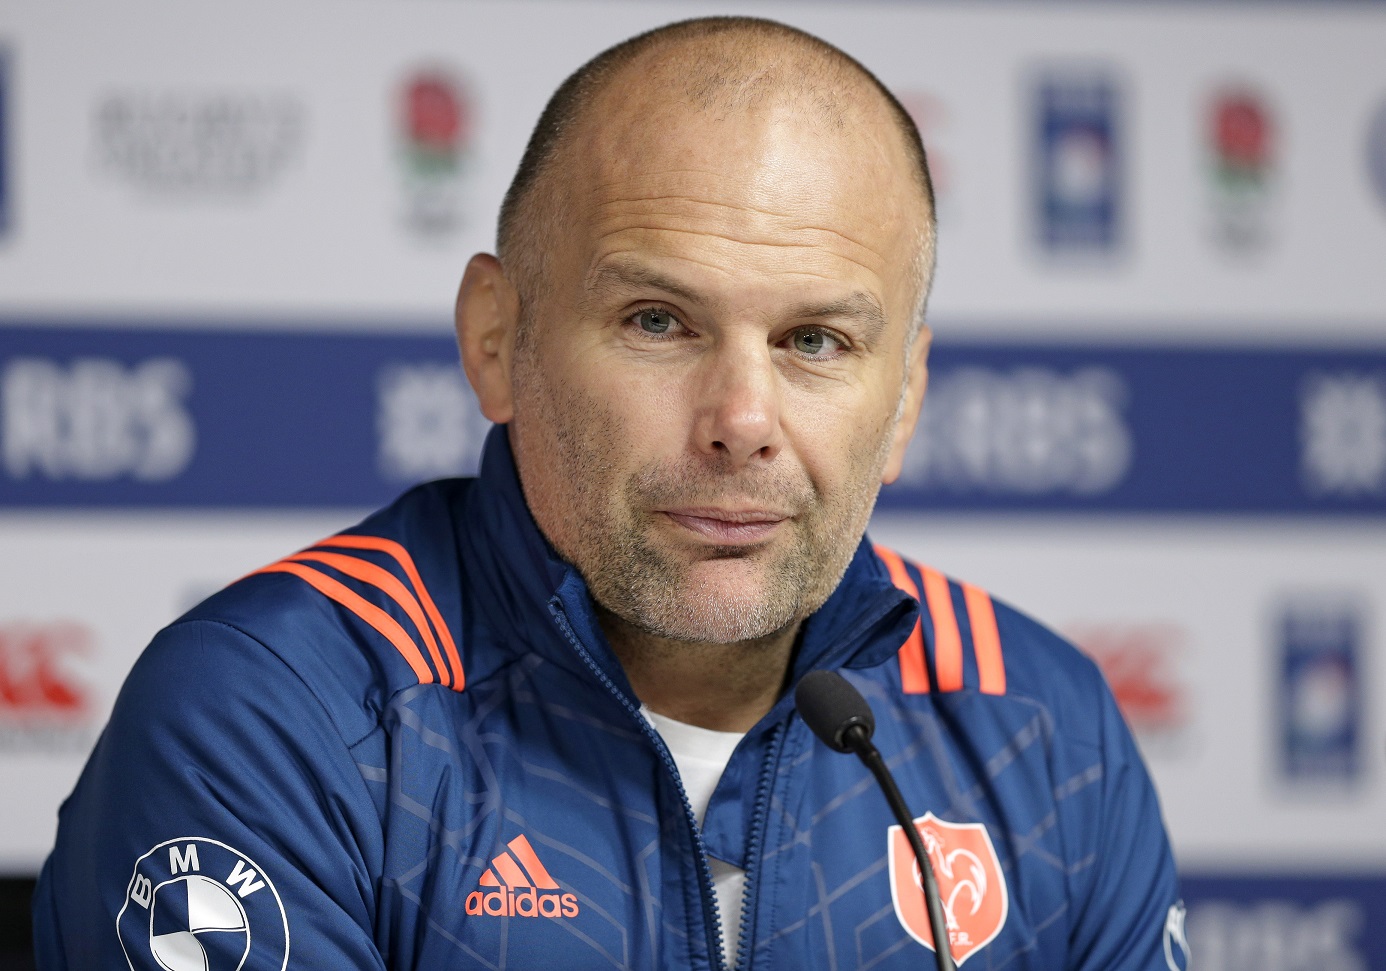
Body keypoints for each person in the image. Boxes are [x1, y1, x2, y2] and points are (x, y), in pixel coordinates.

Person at [34, 16, 1186, 971]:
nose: (742, 418)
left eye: (816, 340)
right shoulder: (278, 712)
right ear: (497, 338)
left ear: (907, 396)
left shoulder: (1041, 723)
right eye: (657, 321)